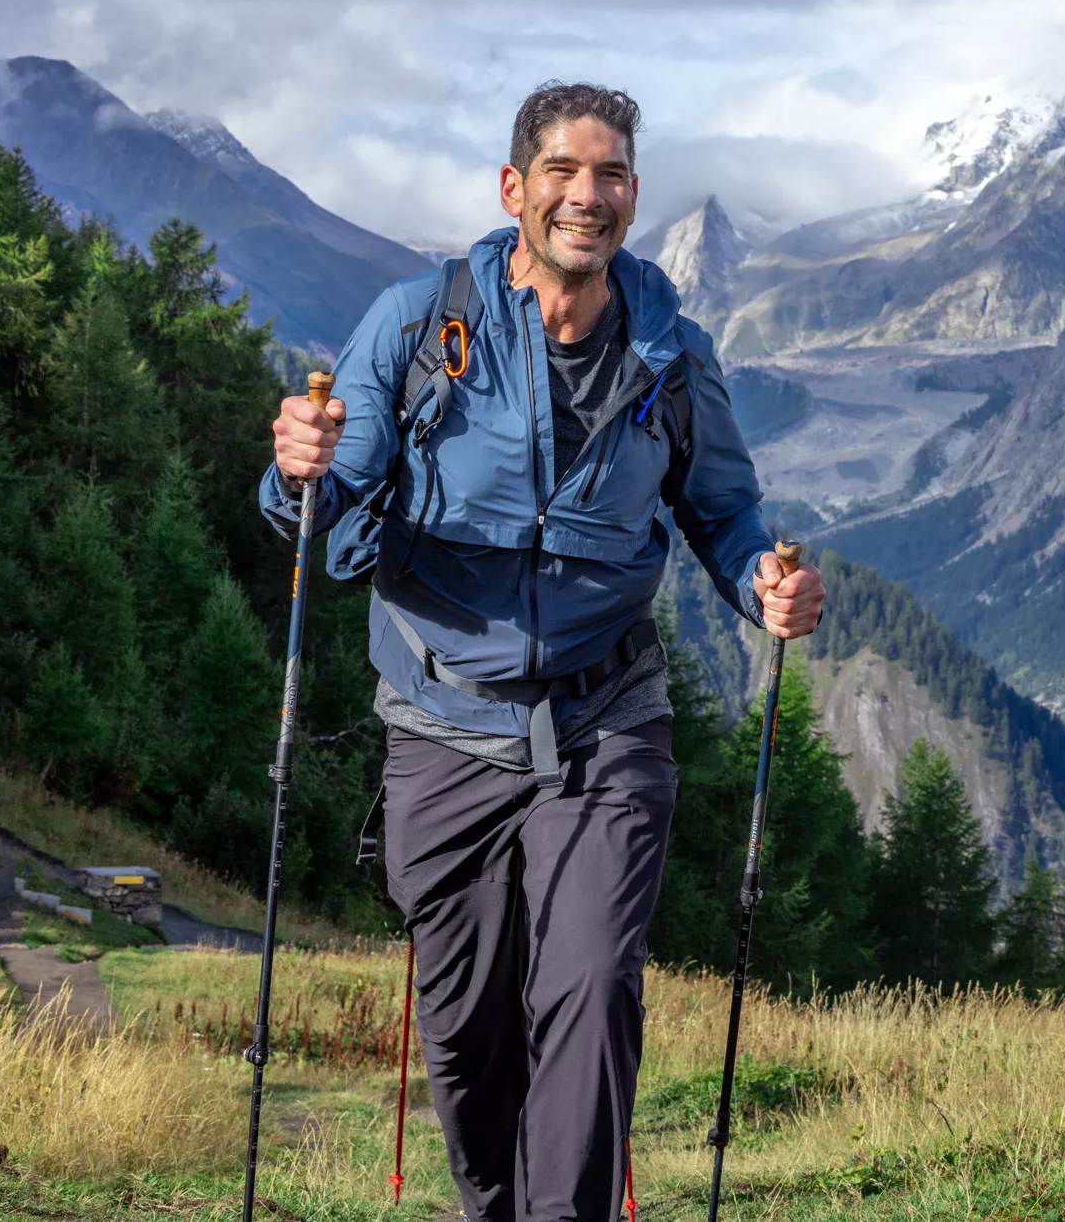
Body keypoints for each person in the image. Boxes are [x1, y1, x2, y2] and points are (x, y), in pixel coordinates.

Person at [261, 81, 825, 1222]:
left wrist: (765, 576)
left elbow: (721, 511)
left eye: (612, 174)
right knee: (466, 1036)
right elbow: (324, 500)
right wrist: (294, 465)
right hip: (440, 725)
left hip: (604, 722)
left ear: (632, 197)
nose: (588, 194)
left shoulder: (669, 355)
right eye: (563, 171)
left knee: (591, 983)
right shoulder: (419, 327)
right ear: (514, 188)